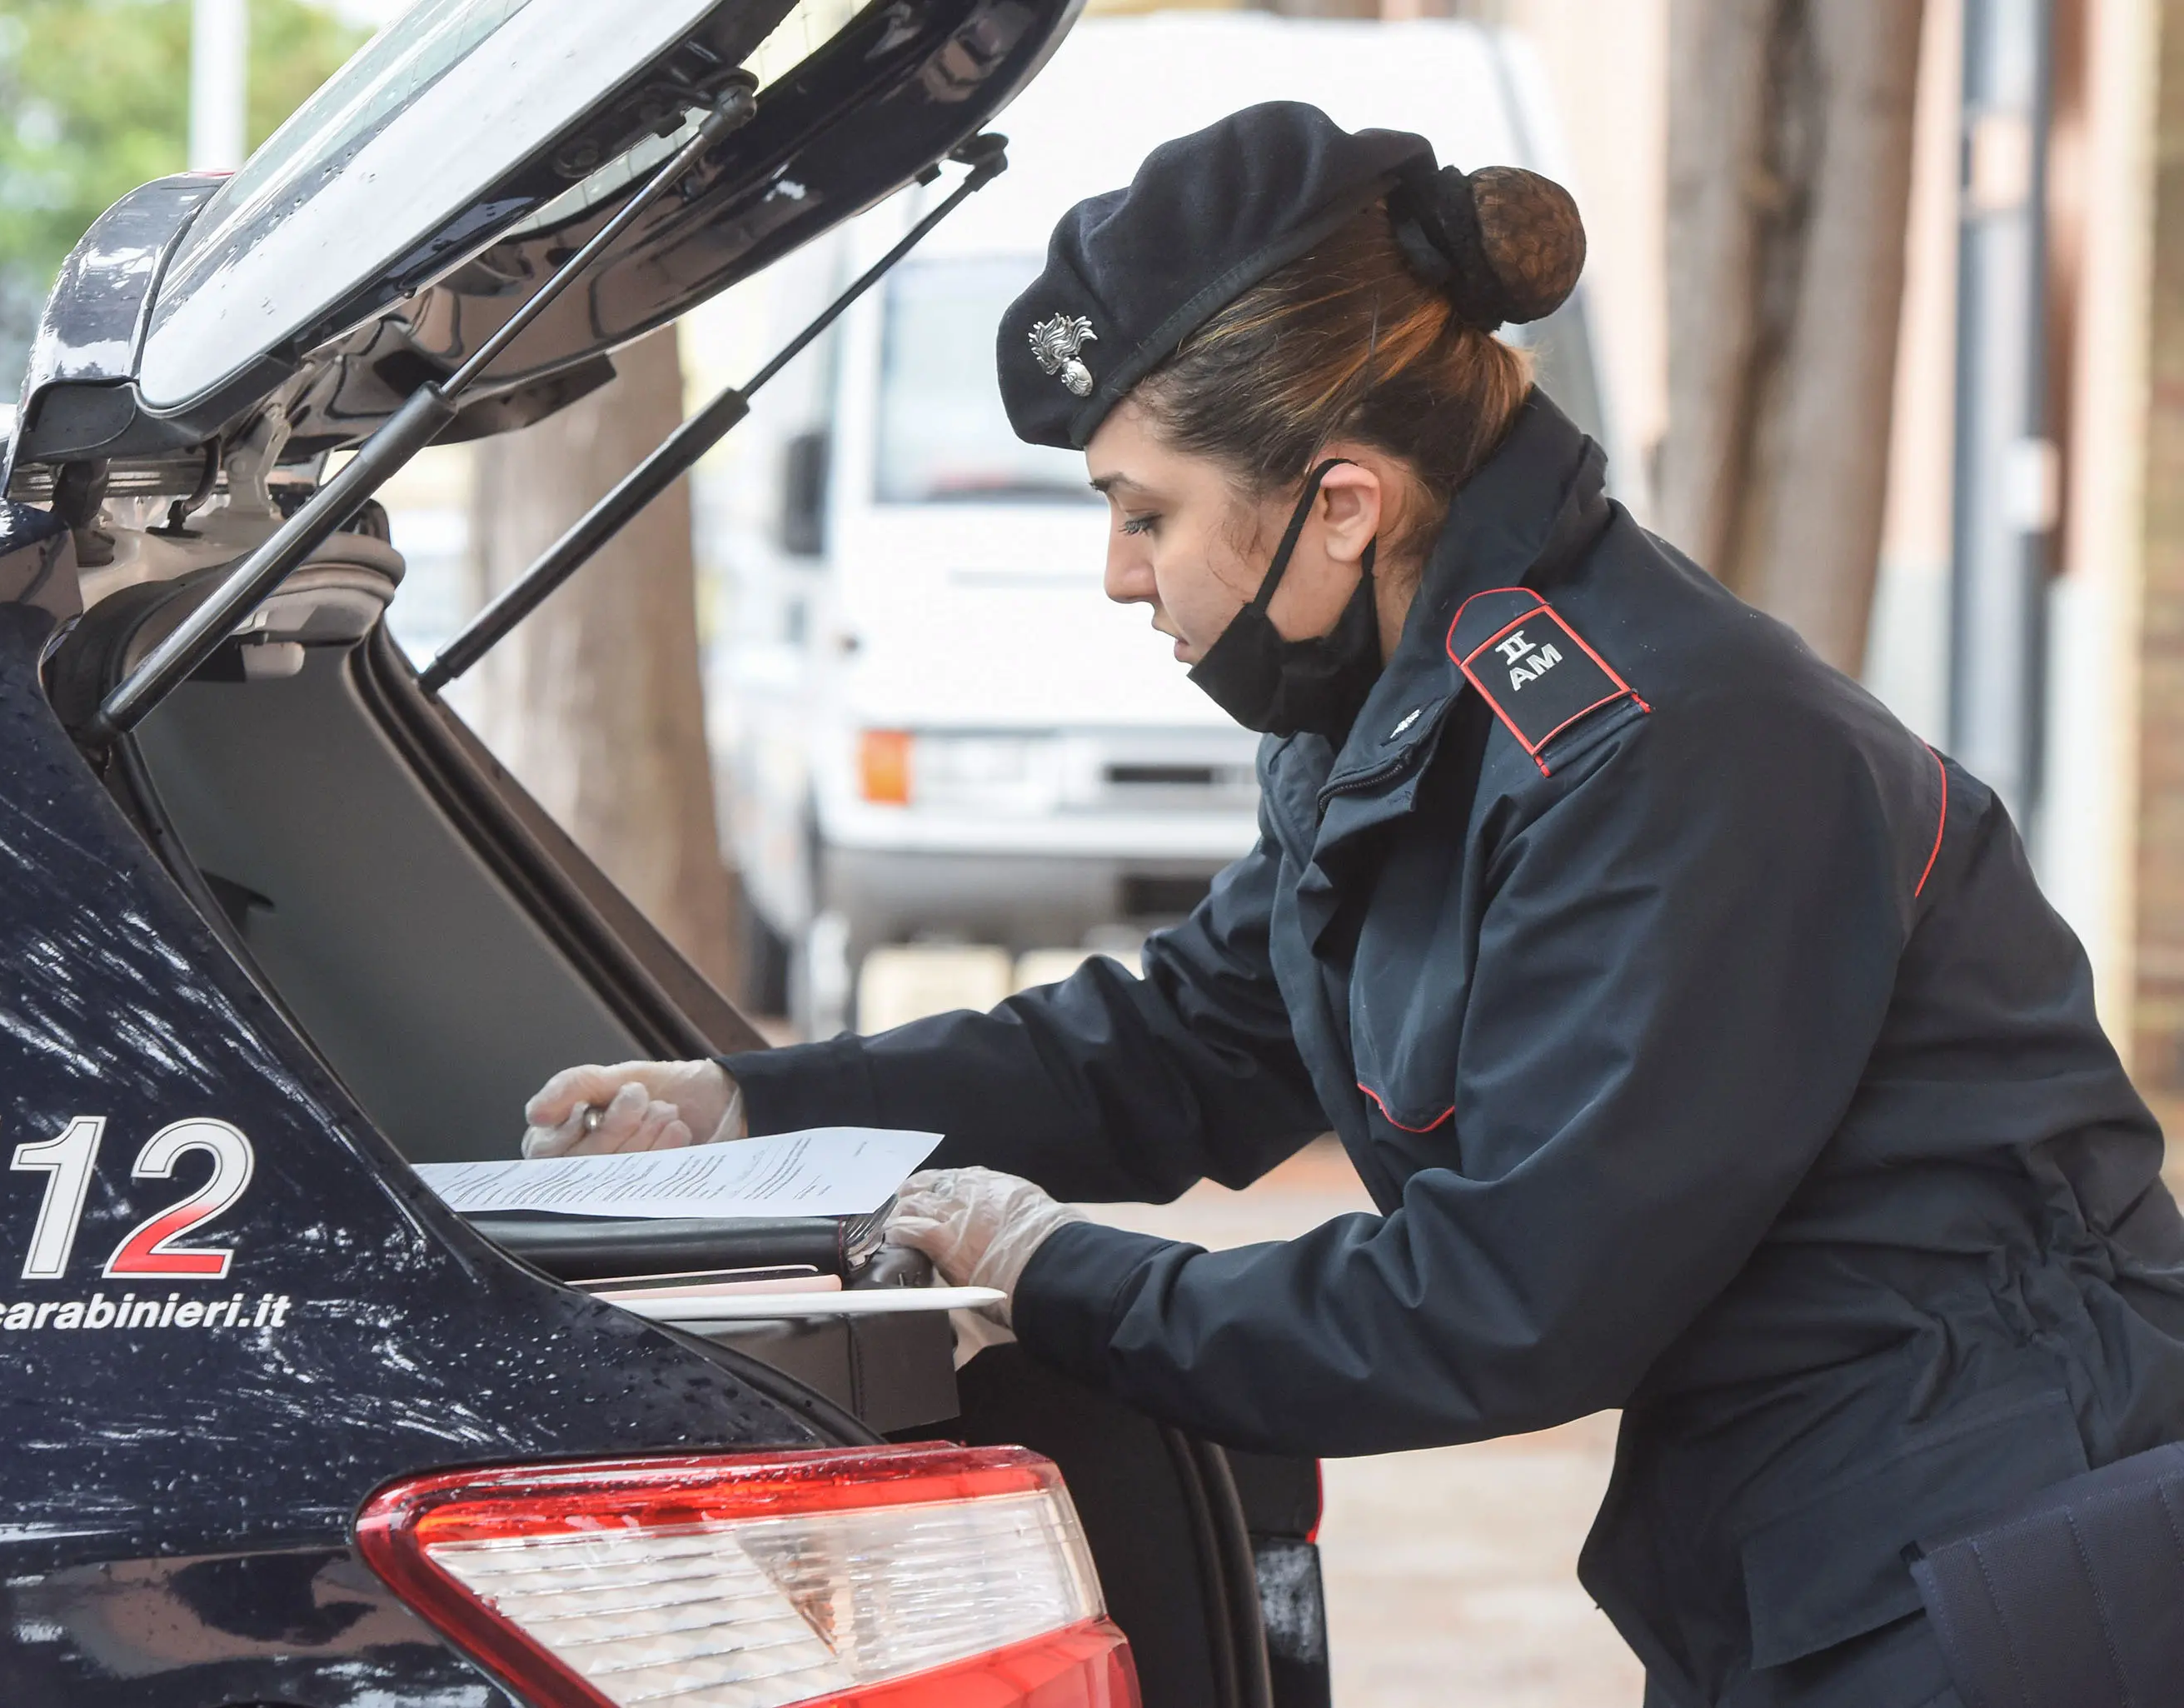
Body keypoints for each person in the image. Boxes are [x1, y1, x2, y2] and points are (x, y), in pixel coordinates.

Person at [521, 105, 2184, 1707]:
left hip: (1997, 1559)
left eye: (1142, 511)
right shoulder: (1408, 712)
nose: (1119, 572)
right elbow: (1179, 1042)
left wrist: (1058, 1274)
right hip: (1820, 1537)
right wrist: (748, 1107)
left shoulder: (1666, 755)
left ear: (1339, 504)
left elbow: (1508, 1295)